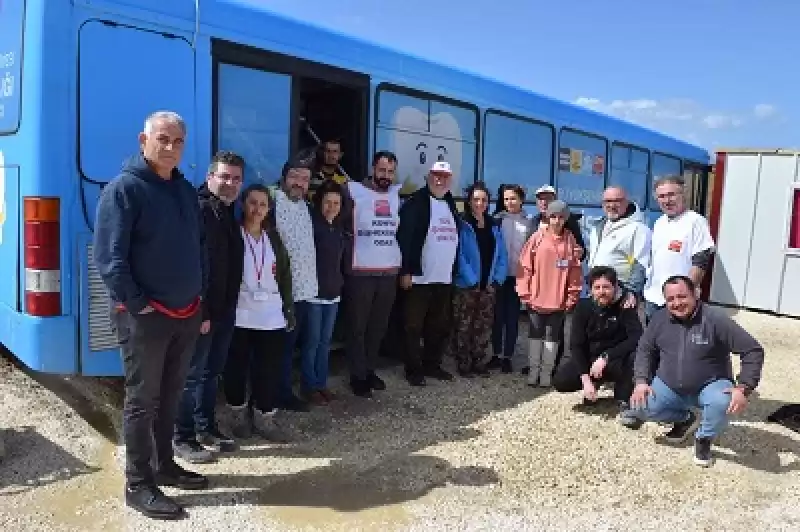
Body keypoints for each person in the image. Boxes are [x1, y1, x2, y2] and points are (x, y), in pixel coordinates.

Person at [93, 111, 207, 520]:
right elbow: (109, 258)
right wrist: (138, 303)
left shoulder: (182, 190)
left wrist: (200, 299)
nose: (172, 147)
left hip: (186, 313)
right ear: (144, 139)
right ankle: (138, 484)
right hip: (146, 318)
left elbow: (197, 249)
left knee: (171, 395)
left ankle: (164, 466)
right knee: (143, 400)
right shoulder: (124, 190)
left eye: (178, 141)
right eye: (164, 139)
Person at [627, 275, 765, 467]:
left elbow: (752, 350)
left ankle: (704, 438)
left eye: (682, 296)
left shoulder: (715, 319)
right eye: (670, 299)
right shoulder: (659, 319)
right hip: (670, 384)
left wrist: (744, 387)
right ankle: (685, 419)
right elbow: (644, 349)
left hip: (710, 384)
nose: (677, 303)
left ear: (696, 294)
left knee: (723, 401)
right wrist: (641, 381)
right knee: (640, 404)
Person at [173, 150, 245, 464]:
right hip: (201, 313)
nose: (230, 183)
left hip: (224, 311)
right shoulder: (199, 210)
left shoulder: (228, 211)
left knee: (211, 373)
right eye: (224, 176)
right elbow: (190, 266)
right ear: (209, 177)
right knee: (190, 377)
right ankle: (182, 437)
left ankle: (206, 427)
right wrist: (199, 311)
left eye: (236, 178)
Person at [223, 184, 295, 442]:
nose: (257, 209)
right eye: (253, 203)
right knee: (236, 368)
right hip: (240, 314)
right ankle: (238, 414)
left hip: (271, 315)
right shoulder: (233, 234)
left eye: (263, 204)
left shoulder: (273, 238)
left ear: (269, 209)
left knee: (268, 369)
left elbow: (284, 274)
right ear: (243, 204)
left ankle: (265, 416)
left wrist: (288, 308)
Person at [342, 151, 402, 397]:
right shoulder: (353, 191)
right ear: (373, 169)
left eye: (390, 171)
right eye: (381, 170)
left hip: (388, 273)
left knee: (377, 327)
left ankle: (369, 369)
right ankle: (357, 375)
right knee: (357, 327)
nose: (385, 176)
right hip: (360, 272)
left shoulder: (397, 195)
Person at [552, 266, 643, 426]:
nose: (602, 292)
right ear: (591, 289)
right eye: (597, 287)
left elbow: (637, 337)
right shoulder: (583, 307)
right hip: (590, 358)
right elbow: (576, 345)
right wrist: (585, 380)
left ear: (615, 287)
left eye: (606, 287)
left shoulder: (625, 306)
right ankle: (593, 384)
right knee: (561, 380)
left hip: (615, 358)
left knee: (635, 356)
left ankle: (624, 399)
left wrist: (606, 357)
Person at [397, 161, 460, 386]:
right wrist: (405, 271)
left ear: (450, 179)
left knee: (438, 325)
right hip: (419, 277)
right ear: (428, 177)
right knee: (413, 326)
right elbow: (405, 238)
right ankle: (413, 369)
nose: (440, 180)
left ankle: (432, 364)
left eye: (444, 176)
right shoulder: (416, 202)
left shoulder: (450, 202)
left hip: (444, 278)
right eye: (436, 175)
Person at [516, 200, 583, 387]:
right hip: (536, 297)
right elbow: (524, 266)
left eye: (561, 217)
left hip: (559, 299)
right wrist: (524, 292)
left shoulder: (571, 241)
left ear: (566, 219)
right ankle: (533, 371)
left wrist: (572, 296)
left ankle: (546, 373)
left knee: (553, 337)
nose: (556, 220)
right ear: (548, 217)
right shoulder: (536, 237)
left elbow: (575, 271)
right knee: (535, 334)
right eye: (553, 216)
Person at [271, 156, 318, 411]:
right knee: (277, 349)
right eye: (295, 177)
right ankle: (272, 397)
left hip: (305, 291)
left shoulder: (306, 206)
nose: (300, 183)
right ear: (284, 177)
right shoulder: (273, 202)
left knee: (290, 348)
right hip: (279, 293)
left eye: (305, 179)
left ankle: (284, 393)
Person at [451, 182, 507, 377]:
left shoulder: (493, 226)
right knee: (463, 325)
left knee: (483, 326)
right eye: (476, 199)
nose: (480, 203)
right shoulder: (462, 223)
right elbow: (459, 255)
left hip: (488, 285)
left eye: (484, 199)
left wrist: (497, 280)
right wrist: (471, 279)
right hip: (467, 285)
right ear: (469, 201)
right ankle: (464, 363)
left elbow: (502, 255)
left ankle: (479, 361)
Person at [642, 176, 714, 322]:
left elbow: (700, 261)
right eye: (661, 196)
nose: (667, 200)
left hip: (677, 301)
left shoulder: (695, 221)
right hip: (653, 298)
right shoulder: (659, 222)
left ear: (683, 195)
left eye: (671, 195)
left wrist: (684, 295)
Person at [301, 180, 346, 404]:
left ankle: (321, 383)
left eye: (336, 202)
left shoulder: (338, 227)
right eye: (327, 202)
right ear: (319, 202)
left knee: (325, 342)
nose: (331, 206)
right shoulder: (313, 225)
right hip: (313, 293)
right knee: (312, 341)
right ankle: (308, 386)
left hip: (333, 293)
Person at [489, 184, 534, 373]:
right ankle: (496, 355)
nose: (509, 202)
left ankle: (508, 357)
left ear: (522, 199)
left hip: (518, 277)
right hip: (499, 276)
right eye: (506, 199)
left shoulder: (530, 222)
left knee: (512, 318)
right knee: (497, 317)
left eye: (513, 198)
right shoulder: (497, 220)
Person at [587, 186, 651, 317]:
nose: (612, 205)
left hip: (621, 295)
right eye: (607, 201)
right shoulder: (599, 226)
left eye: (617, 201)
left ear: (626, 202)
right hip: (598, 291)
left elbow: (641, 263)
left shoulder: (638, 229)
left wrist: (631, 292)